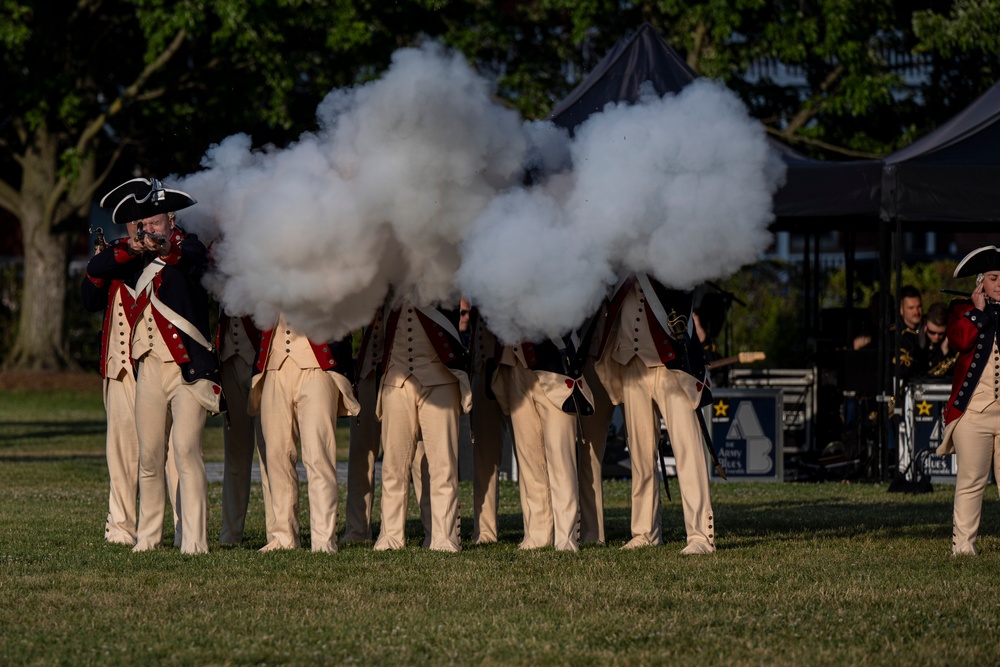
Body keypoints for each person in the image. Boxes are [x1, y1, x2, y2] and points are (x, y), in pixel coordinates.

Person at [93, 177, 220, 554]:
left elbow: (191, 258)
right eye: (143, 223)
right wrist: (131, 247)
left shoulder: (189, 246)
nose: (149, 228)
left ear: (171, 220)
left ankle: (194, 542)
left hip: (187, 369)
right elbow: (96, 271)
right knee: (149, 456)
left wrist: (165, 247)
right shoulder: (133, 258)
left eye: (155, 221)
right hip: (147, 367)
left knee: (184, 450)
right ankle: (148, 539)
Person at [595, 272, 715, 554]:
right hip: (629, 361)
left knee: (688, 450)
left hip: (670, 362)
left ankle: (700, 536)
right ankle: (644, 532)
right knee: (639, 453)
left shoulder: (667, 248)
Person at [80, 223, 181, 546]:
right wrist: (112, 255)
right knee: (122, 453)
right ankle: (121, 526)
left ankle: (184, 526)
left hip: (163, 364)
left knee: (174, 452)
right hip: (119, 365)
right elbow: (89, 298)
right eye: (136, 221)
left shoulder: (177, 249)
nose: (143, 227)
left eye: (150, 220)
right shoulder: (116, 255)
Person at [250, 316, 358, 553]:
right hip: (274, 364)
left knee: (318, 456)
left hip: (319, 364)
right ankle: (283, 537)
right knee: (277, 456)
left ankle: (323, 539)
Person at [374, 297, 471, 552]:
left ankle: (445, 536)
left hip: (441, 374)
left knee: (443, 464)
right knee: (394, 465)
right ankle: (391, 536)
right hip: (396, 376)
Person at [492, 336, 593, 551]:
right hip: (515, 366)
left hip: (555, 368)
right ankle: (536, 535)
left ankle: (566, 536)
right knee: (529, 460)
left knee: (561, 459)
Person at [936, 246, 1000, 556]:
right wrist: (977, 310)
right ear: (981, 283)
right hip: (973, 411)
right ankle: (962, 547)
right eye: (993, 278)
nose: (999, 284)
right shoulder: (962, 310)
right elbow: (959, 341)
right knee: (971, 480)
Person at [217, 310, 274, 545]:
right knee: (235, 451)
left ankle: (278, 532)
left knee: (271, 451)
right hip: (228, 358)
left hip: (262, 359)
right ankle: (230, 533)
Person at [466, 304, 512, 545]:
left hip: (519, 366)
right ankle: (485, 531)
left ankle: (545, 527)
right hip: (482, 366)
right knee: (484, 453)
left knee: (536, 450)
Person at [920, 302, 957, 377]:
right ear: (926, 325)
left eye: (941, 333)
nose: (936, 337)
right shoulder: (916, 338)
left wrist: (945, 350)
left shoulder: (952, 343)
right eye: (932, 332)